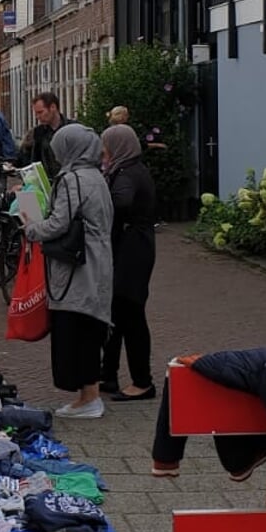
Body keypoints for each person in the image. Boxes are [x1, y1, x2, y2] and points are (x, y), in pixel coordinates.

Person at [23, 123, 114, 419]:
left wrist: (31, 228)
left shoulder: (71, 179)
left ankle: (88, 399)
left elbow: (59, 223)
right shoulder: (97, 177)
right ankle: (90, 395)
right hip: (98, 260)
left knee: (75, 329)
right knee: (90, 327)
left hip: (77, 266)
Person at [97, 124, 158, 401]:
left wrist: (98, 201)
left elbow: (121, 202)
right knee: (117, 314)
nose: (104, 152)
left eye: (107, 146)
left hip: (132, 250)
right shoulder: (129, 169)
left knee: (130, 313)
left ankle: (142, 382)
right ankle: (108, 375)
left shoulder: (127, 173)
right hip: (132, 246)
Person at [25, 91, 73, 180]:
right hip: (49, 182)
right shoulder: (38, 132)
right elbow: (35, 161)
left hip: (69, 181)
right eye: (36, 113)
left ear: (53, 107)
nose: (37, 117)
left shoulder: (72, 129)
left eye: (40, 112)